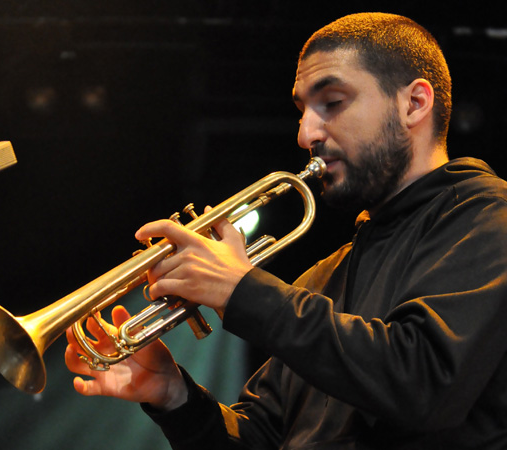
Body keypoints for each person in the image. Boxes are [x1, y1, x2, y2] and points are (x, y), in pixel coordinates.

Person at [64, 12, 507, 449]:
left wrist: (242, 291)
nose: (305, 133)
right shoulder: (322, 279)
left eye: (332, 102)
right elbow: (261, 438)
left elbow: (423, 383)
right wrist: (174, 397)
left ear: (414, 104)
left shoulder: (489, 215)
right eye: (302, 111)